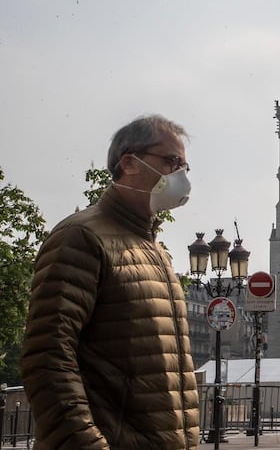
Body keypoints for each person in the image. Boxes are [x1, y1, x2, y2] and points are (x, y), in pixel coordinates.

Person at [21, 114, 200, 449]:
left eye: (185, 167)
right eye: (171, 161)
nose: (180, 175)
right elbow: (47, 357)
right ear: (130, 163)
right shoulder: (81, 237)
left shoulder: (156, 252)